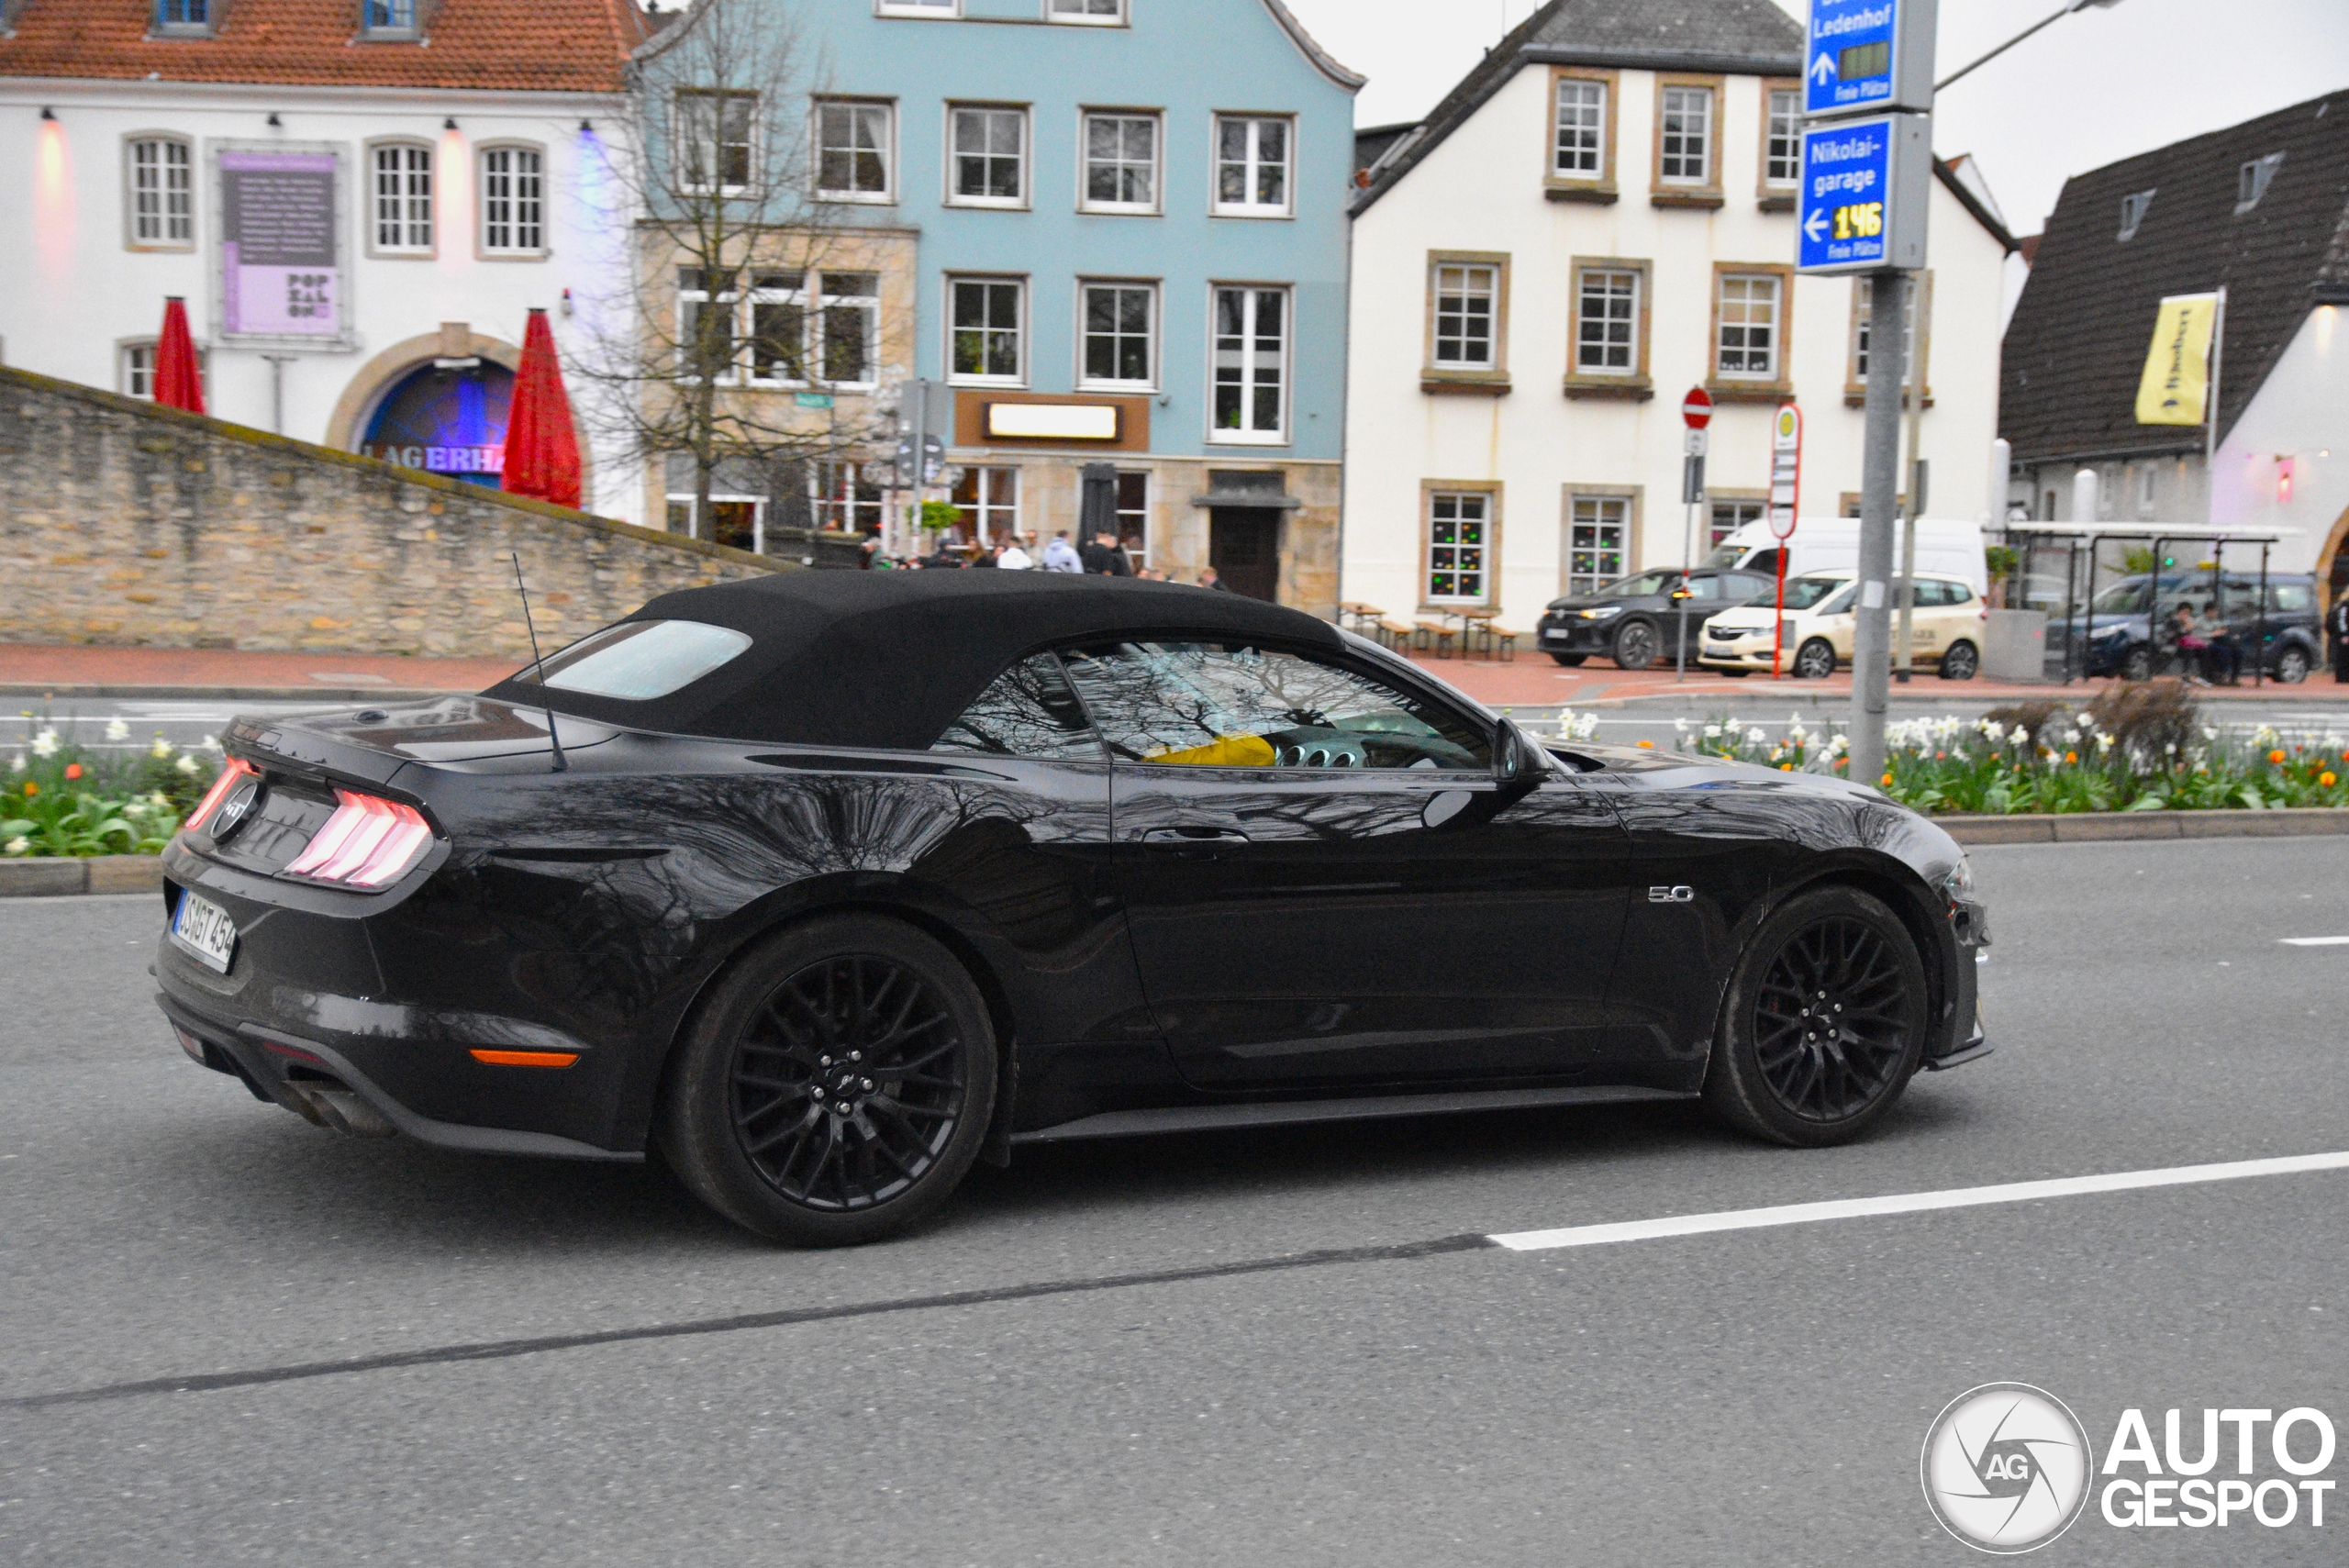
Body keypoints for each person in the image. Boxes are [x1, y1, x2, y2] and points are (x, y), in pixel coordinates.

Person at [2332, 588, 2349, 684]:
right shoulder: (2345, 605)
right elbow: (2342, 621)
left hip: (2344, 635)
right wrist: (2345, 634)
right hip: (2343, 636)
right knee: (2343, 657)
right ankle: (2341, 678)